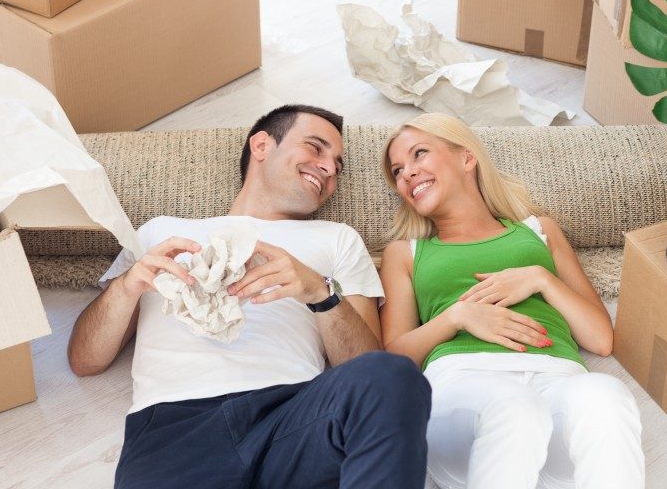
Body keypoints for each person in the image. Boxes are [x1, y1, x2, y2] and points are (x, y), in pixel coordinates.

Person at [68, 105, 430, 489]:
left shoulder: (337, 238)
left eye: (337, 166)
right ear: (261, 145)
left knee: (393, 375)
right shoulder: (160, 232)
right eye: (316, 148)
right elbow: (85, 360)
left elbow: (363, 368)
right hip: (175, 434)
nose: (328, 169)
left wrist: (320, 294)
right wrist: (127, 286)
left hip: (292, 420)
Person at [379, 113, 644, 489]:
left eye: (419, 154)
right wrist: (458, 316)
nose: (407, 173)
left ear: (466, 157)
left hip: (556, 379)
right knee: (516, 407)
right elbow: (392, 359)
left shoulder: (539, 230)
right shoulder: (405, 253)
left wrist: (540, 280)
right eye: (398, 170)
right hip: (462, 388)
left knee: (606, 394)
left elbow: (601, 338)